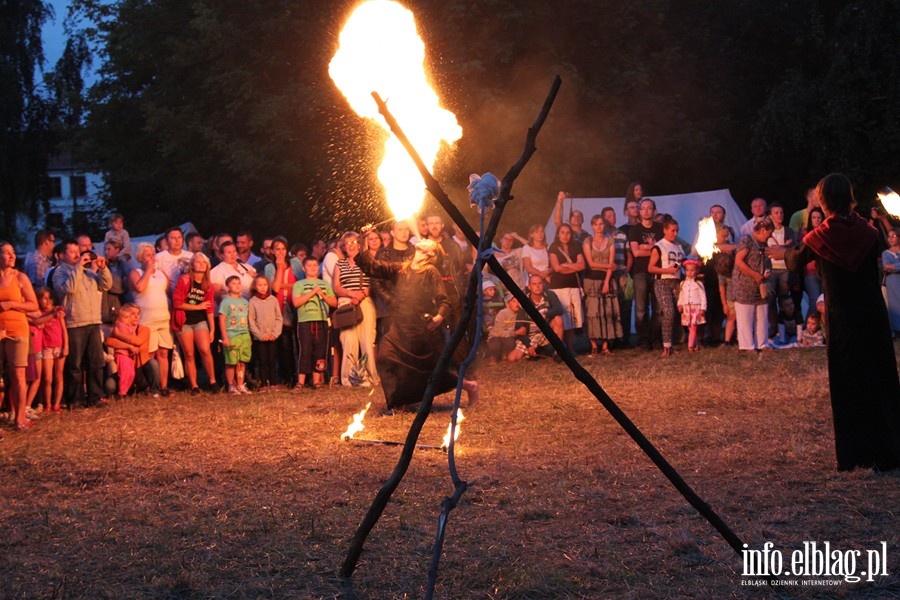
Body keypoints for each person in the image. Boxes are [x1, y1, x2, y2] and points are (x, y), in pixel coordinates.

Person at [771, 173, 900, 471]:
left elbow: (794, 262)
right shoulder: (869, 232)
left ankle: (856, 455)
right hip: (872, 315)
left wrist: (782, 253)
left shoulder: (819, 236)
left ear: (824, 201)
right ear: (849, 197)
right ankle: (889, 450)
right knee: (879, 380)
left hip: (844, 319)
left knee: (849, 382)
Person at [356, 238, 478, 410]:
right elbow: (372, 267)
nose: (423, 239)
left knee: (430, 373)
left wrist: (439, 316)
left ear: (431, 254)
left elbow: (444, 301)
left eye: (428, 242)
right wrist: (364, 241)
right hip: (400, 327)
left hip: (420, 330)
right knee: (385, 359)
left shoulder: (430, 271)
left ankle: (470, 386)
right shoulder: (402, 268)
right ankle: (398, 402)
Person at [53, 238, 112, 408]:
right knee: (75, 365)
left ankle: (95, 397)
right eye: (72, 252)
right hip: (74, 323)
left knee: (96, 362)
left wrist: (103, 268)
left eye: (77, 252)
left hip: (93, 321)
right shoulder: (60, 273)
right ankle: (75, 399)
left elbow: (106, 285)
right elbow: (70, 288)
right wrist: (79, 267)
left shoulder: (87, 272)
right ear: (62, 255)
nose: (77, 255)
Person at [0, 241, 39, 430]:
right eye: (6, 252)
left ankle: (20, 417)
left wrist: (11, 305)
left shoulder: (20, 277)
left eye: (12, 252)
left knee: (18, 375)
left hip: (18, 330)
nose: (11, 255)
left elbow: (33, 305)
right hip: (0, 331)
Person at [333, 231, 379, 388]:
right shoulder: (339, 264)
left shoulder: (366, 261)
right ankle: (349, 379)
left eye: (354, 242)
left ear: (360, 245)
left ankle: (371, 378)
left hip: (365, 301)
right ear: (344, 247)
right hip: (346, 303)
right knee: (348, 341)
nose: (351, 245)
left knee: (367, 340)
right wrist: (351, 294)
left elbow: (374, 282)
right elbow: (336, 287)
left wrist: (361, 295)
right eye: (348, 243)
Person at [129, 242, 174, 396]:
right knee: (150, 354)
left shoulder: (162, 274)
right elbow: (140, 288)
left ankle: (164, 386)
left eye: (153, 254)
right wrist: (148, 271)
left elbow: (167, 292)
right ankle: (150, 386)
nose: (152, 258)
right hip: (147, 320)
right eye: (148, 255)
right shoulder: (135, 273)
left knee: (163, 353)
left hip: (163, 318)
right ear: (140, 258)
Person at [171, 252, 218, 395]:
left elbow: (209, 308)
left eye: (204, 262)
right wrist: (198, 306)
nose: (201, 264)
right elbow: (177, 303)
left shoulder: (208, 285)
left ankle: (212, 381)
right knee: (189, 353)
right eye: (198, 262)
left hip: (200, 320)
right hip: (184, 321)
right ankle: (194, 385)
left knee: (205, 350)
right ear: (192, 265)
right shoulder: (184, 280)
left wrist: (212, 329)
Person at [292, 256, 337, 389]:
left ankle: (317, 381)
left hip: (321, 320)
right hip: (305, 321)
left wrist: (323, 295)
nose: (312, 268)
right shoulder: (299, 284)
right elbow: (296, 302)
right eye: (309, 265)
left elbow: (334, 302)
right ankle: (301, 381)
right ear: (303, 268)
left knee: (320, 349)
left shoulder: (325, 284)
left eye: (315, 265)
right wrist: (312, 292)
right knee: (305, 349)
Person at [732, 218, 774, 351]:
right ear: (762, 230)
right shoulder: (747, 240)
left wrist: (767, 272)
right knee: (746, 316)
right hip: (745, 285)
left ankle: (762, 344)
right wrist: (754, 274)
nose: (770, 235)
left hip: (760, 286)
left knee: (761, 316)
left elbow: (766, 261)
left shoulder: (764, 243)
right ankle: (747, 346)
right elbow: (739, 261)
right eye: (769, 232)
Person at [628, 198, 664, 350]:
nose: (646, 210)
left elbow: (664, 250)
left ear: (654, 210)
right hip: (641, 272)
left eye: (649, 208)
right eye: (643, 208)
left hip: (657, 271)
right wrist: (654, 248)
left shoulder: (661, 228)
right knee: (641, 309)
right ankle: (643, 340)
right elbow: (636, 253)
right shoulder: (635, 230)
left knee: (658, 308)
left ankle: (656, 339)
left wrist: (646, 247)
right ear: (639, 211)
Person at [582, 214, 620, 355]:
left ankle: (605, 345)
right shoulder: (587, 241)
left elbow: (611, 266)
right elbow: (591, 264)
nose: (598, 227)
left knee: (607, 312)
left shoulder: (610, 241)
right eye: (596, 224)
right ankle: (593, 344)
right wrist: (609, 265)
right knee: (592, 313)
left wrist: (606, 282)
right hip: (591, 281)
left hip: (606, 279)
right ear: (592, 226)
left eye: (601, 224)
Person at [647, 215, 685, 357]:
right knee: (668, 311)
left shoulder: (678, 246)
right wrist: (667, 270)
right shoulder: (659, 246)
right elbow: (651, 268)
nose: (675, 233)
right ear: (665, 230)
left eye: (677, 231)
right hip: (662, 282)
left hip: (676, 282)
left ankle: (673, 343)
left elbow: (680, 263)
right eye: (672, 230)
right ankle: (666, 346)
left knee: (676, 313)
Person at [264, 237, 298, 385]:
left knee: (299, 343)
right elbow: (275, 288)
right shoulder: (269, 267)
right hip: (279, 308)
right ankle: (288, 377)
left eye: (283, 248)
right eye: (277, 249)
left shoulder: (295, 263)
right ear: (272, 250)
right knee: (284, 345)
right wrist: (279, 268)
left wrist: (287, 285)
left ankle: (303, 376)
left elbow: (301, 285)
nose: (281, 252)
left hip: (296, 305)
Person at [547, 223, 585, 354]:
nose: (565, 236)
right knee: (563, 318)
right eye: (562, 232)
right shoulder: (553, 248)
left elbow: (582, 266)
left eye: (568, 233)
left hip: (573, 286)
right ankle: (560, 349)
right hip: (559, 287)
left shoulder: (576, 247)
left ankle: (570, 348)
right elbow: (557, 268)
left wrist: (566, 266)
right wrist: (573, 266)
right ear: (558, 234)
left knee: (572, 320)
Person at [28, 286, 67, 413]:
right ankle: (47, 404)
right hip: (46, 348)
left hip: (59, 347)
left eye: (49, 298)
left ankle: (56, 404)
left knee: (59, 376)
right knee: (47, 378)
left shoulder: (58, 313)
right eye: (44, 299)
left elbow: (63, 330)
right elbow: (38, 323)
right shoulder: (40, 314)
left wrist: (66, 346)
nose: (47, 301)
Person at [518, 274, 565, 358]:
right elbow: (519, 327)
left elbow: (559, 309)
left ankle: (558, 352)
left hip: (547, 329)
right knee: (513, 358)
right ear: (529, 287)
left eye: (540, 283)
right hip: (532, 333)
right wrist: (528, 345)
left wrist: (546, 314)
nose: (537, 286)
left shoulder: (550, 295)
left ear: (543, 285)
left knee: (558, 319)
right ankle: (541, 350)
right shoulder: (524, 301)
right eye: (534, 284)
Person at [248, 275, 282, 391]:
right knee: (262, 360)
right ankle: (263, 384)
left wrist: (275, 333)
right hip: (260, 338)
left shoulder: (273, 300)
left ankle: (273, 382)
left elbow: (279, 318)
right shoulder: (253, 301)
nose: (262, 287)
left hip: (272, 336)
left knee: (272, 360)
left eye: (265, 285)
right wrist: (259, 335)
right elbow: (251, 320)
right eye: (259, 285)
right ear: (255, 286)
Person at [220, 275, 252, 394]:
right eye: (233, 283)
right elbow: (222, 319)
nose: (237, 285)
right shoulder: (226, 301)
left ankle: (240, 384)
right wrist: (225, 337)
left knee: (241, 361)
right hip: (231, 334)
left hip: (243, 334)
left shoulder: (244, 302)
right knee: (231, 361)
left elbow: (247, 319)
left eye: (239, 283)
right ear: (228, 287)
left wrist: (248, 336)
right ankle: (231, 384)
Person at [486, 292, 528, 363]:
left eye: (518, 301)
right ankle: (493, 356)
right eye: (514, 301)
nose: (517, 304)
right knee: (495, 344)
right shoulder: (502, 313)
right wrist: (515, 333)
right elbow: (498, 331)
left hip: (508, 337)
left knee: (510, 343)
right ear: (508, 304)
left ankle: (504, 354)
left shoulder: (520, 314)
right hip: (496, 335)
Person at [677, 259, 706, 352]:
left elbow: (703, 296)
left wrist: (703, 308)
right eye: (687, 270)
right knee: (690, 327)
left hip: (695, 307)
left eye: (692, 270)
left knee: (693, 326)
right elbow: (681, 295)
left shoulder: (698, 283)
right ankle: (696, 345)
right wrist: (680, 304)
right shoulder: (683, 283)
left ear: (697, 271)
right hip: (686, 308)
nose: (689, 272)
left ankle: (690, 345)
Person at [155, 227, 193, 295]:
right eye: (173, 238)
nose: (177, 240)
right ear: (166, 241)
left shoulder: (191, 256)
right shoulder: (158, 257)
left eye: (179, 237)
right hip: (166, 297)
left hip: (188, 296)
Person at [802, 208, 826, 317]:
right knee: (814, 300)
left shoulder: (826, 233)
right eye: (814, 217)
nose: (816, 220)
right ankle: (808, 328)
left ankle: (820, 328)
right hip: (810, 271)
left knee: (824, 300)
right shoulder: (805, 234)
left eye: (819, 217)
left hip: (824, 271)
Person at [881, 228, 900, 337]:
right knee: (893, 305)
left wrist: (892, 266)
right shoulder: (886, 253)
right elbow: (885, 266)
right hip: (892, 282)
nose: (891, 239)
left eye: (894, 236)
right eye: (889, 236)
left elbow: (889, 266)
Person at [521, 224, 551, 288]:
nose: (540, 234)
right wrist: (544, 276)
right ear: (532, 235)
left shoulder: (548, 248)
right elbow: (529, 268)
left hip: (548, 281)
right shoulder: (527, 248)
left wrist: (548, 272)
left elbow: (553, 265)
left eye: (541, 231)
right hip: (534, 281)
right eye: (537, 232)